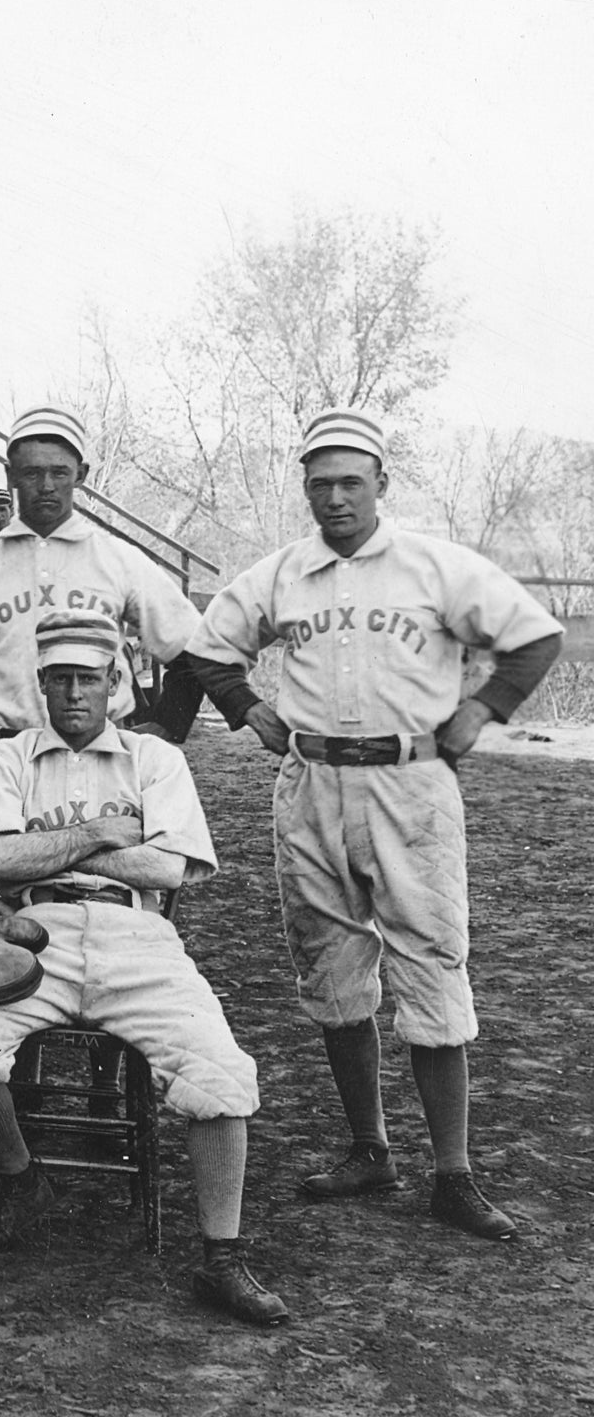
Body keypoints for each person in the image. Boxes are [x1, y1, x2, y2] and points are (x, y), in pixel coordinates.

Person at [185, 408, 563, 1241]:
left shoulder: (433, 564)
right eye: (320, 484)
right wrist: (248, 708)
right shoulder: (282, 573)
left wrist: (482, 711)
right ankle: (370, 1149)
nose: (335, 498)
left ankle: (453, 1174)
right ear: (307, 490)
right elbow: (205, 645)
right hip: (313, 782)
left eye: (351, 482)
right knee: (332, 968)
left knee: (432, 962)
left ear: (381, 484)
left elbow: (535, 637)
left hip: (410, 782)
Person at [0, 610, 290, 1326]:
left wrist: (53, 846)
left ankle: (222, 1258)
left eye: (88, 679)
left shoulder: (154, 760)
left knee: (219, 1070)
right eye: (59, 679)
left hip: (139, 934)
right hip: (31, 935)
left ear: (116, 682)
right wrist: (98, 834)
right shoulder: (2, 761)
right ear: (40, 685)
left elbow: (167, 867)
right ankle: (20, 1175)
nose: (73, 694)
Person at [0, 406, 204, 758]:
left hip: (104, 754)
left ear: (81, 475)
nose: (46, 486)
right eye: (31, 473)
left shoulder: (118, 559)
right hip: (10, 756)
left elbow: (193, 647)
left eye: (59, 472)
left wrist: (166, 723)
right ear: (10, 474)